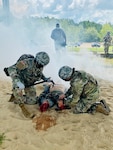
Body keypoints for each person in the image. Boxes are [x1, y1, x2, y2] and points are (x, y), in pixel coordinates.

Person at [4, 52, 52, 118]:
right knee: (18, 89)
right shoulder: (26, 63)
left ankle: (16, 96)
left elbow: (39, 73)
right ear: (37, 60)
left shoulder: (40, 66)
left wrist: (45, 79)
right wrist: (17, 81)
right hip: (20, 80)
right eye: (41, 64)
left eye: (43, 65)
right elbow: (11, 69)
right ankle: (22, 107)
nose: (42, 66)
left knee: (32, 101)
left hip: (29, 83)